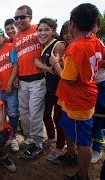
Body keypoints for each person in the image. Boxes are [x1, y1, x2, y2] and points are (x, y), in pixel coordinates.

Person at [49, 3, 103, 179]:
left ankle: (83, 176)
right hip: (80, 96)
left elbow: (69, 79)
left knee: (83, 142)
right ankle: (72, 157)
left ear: (72, 24)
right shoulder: (95, 40)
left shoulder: (75, 47)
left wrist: (55, 63)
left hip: (78, 100)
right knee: (70, 130)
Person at [13, 5, 45, 160]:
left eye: (22, 17)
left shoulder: (38, 29)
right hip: (23, 81)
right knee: (24, 112)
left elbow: (55, 42)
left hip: (38, 79)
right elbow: (18, 60)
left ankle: (38, 144)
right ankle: (29, 137)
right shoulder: (17, 37)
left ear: (30, 18)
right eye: (16, 18)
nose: (19, 20)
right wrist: (17, 76)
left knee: (35, 113)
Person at [34, 18, 66, 161]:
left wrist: (41, 66)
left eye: (46, 29)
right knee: (45, 114)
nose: (42, 33)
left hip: (60, 88)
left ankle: (60, 147)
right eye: (40, 30)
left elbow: (59, 70)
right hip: (48, 87)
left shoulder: (58, 45)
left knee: (57, 118)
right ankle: (52, 138)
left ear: (53, 31)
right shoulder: (44, 45)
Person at [0, 27, 19, 152]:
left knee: (12, 112)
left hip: (10, 86)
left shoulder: (10, 47)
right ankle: (3, 134)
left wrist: (9, 84)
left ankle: (13, 138)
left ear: (3, 37)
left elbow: (15, 65)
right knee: (0, 112)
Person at [90, 17, 105, 164]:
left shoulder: (98, 43)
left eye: (92, 24)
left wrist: (97, 63)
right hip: (91, 86)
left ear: (98, 27)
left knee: (98, 120)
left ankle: (97, 150)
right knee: (92, 119)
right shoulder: (87, 42)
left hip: (101, 85)